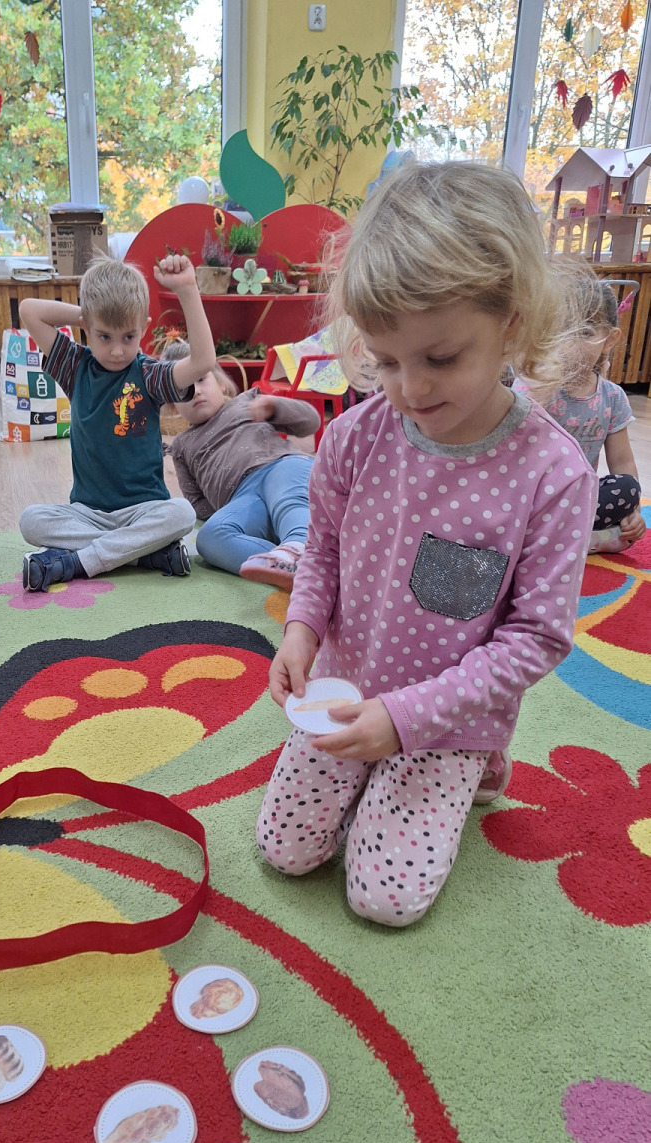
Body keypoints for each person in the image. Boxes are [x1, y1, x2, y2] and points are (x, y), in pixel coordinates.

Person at [256, 160, 599, 927]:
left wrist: (409, 720)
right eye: (386, 361)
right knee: (286, 849)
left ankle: (476, 765)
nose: (409, 389)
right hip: (346, 690)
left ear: (511, 323)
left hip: (448, 719)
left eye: (439, 358)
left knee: (383, 900)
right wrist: (302, 629)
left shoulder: (553, 475)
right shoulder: (353, 438)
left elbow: (537, 637)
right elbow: (322, 552)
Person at [17, 254, 216, 586]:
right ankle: (141, 553)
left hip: (144, 510)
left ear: (144, 329)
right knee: (30, 521)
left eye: (128, 336)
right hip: (87, 514)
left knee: (183, 514)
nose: (117, 351)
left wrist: (186, 288)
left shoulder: (149, 374)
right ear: (87, 328)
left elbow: (203, 361)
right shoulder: (75, 365)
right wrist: (89, 314)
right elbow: (29, 310)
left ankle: (78, 562)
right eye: (104, 336)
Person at [162, 339, 320, 589]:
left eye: (201, 380)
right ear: (172, 405)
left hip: (282, 467)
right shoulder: (181, 445)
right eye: (183, 390)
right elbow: (197, 502)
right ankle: (285, 562)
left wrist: (275, 407)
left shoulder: (248, 402)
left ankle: (301, 547)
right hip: (244, 499)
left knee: (288, 503)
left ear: (221, 383)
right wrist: (232, 512)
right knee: (209, 538)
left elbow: (311, 422)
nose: (196, 391)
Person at [513, 264, 645, 555]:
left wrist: (632, 511)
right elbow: (511, 448)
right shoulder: (532, 384)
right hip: (531, 496)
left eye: (584, 332)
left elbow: (623, 462)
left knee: (626, 488)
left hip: (578, 498)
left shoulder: (612, 397)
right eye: (561, 330)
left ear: (608, 340)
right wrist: (542, 389)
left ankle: (558, 541)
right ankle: (586, 541)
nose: (569, 342)